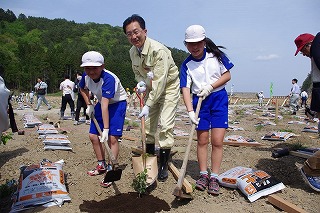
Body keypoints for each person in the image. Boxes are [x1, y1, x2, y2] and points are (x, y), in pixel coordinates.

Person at [123, 14, 180, 182]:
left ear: (145, 31)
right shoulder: (132, 51)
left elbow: (160, 81)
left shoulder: (158, 50)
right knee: (147, 125)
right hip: (150, 87)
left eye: (136, 32)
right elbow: (138, 73)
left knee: (166, 124)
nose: (133, 37)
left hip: (168, 86)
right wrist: (140, 83)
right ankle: (149, 158)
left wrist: (148, 104)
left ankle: (163, 163)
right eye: (129, 34)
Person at [180, 25, 233, 195]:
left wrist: (210, 86)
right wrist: (189, 110)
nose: (194, 47)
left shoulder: (216, 56)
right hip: (199, 103)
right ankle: (203, 174)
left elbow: (227, 75)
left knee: (217, 141)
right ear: (186, 44)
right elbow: (185, 89)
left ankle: (214, 177)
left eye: (198, 43)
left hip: (218, 99)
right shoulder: (186, 65)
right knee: (202, 140)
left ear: (204, 41)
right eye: (190, 44)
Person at [79, 51, 127, 188]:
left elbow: (106, 105)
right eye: (87, 68)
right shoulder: (86, 76)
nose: (91, 71)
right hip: (101, 103)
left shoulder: (109, 79)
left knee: (112, 138)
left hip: (117, 104)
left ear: (102, 66)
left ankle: (112, 169)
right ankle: (101, 164)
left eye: (95, 68)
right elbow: (82, 89)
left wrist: (106, 129)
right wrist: (89, 104)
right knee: (93, 136)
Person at [294, 32, 320, 191]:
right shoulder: (317, 46)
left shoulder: (317, 45)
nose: (304, 55)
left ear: (309, 44)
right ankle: (311, 168)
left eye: (303, 51)